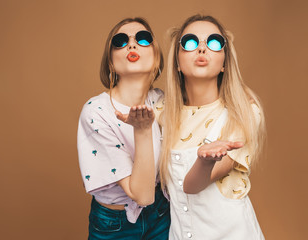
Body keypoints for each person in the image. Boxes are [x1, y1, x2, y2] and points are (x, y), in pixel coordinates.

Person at [156, 14, 266, 239]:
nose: (202, 49)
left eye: (214, 42)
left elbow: (192, 186)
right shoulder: (161, 111)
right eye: (190, 42)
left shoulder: (243, 113)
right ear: (177, 61)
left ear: (225, 61)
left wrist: (205, 162)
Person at [77, 17, 170, 240]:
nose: (132, 44)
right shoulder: (96, 112)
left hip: (161, 214)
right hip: (114, 225)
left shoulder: (162, 102)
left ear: (156, 57)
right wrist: (143, 130)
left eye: (143, 38)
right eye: (120, 41)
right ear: (110, 62)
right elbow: (142, 195)